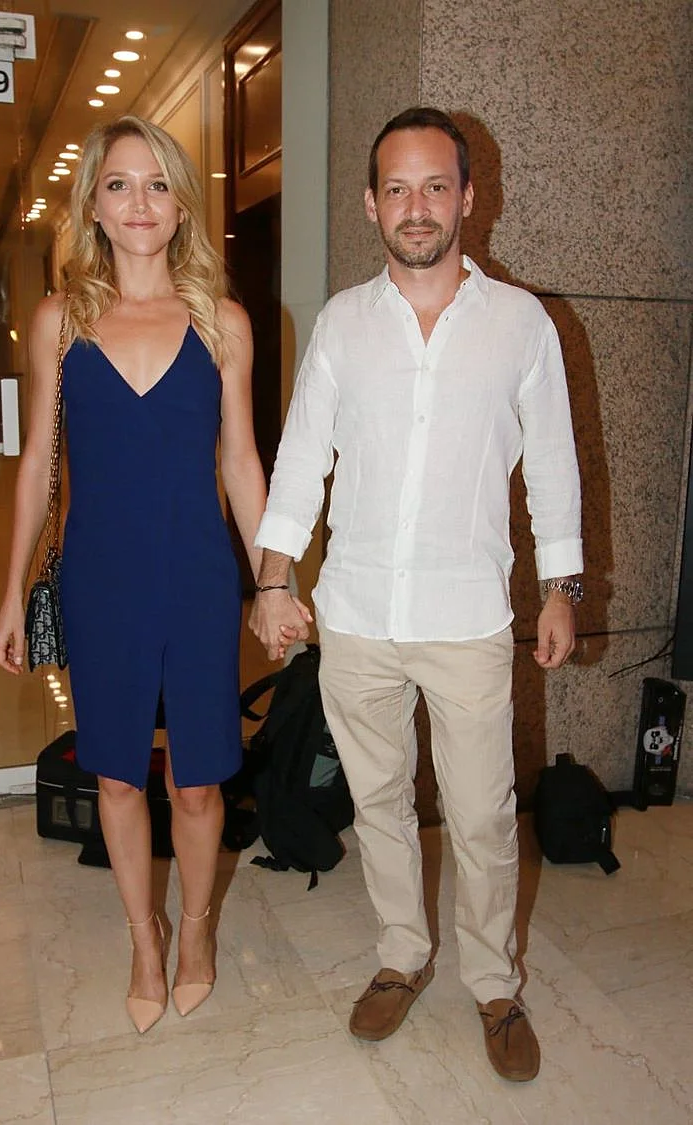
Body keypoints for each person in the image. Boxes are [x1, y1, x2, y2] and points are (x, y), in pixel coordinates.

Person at [249, 106, 583, 1083]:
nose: (417, 206)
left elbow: (553, 465)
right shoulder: (343, 324)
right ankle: (402, 954)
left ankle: (494, 984)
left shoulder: (521, 324)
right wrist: (273, 577)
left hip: (469, 618)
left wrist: (560, 587)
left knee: (482, 817)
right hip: (357, 614)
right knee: (380, 803)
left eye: (436, 185)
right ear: (371, 204)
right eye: (397, 188)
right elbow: (302, 459)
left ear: (469, 196)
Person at [0, 115, 272, 1035]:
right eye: (119, 184)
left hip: (197, 577)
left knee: (198, 780)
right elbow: (39, 466)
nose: (140, 202)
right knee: (115, 774)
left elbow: (240, 461)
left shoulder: (222, 323)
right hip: (98, 579)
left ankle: (196, 928)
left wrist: (273, 580)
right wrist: (11, 590)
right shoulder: (60, 322)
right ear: (94, 207)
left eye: (157, 184)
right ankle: (143, 941)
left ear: (182, 204)